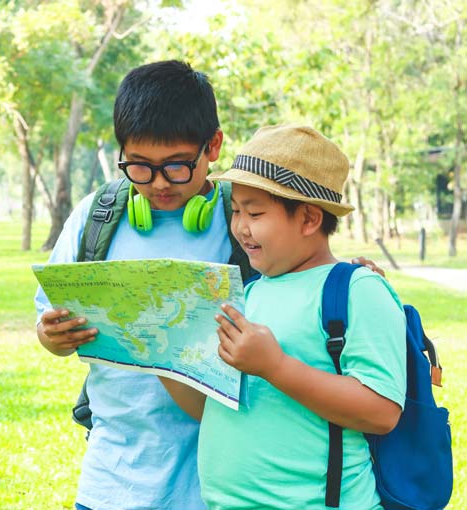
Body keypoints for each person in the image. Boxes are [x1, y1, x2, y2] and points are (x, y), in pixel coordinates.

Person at [35, 61, 384, 510]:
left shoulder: (240, 220)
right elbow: (49, 320)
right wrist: (52, 336)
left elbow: (308, 272)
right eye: (139, 167)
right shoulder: (97, 216)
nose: (158, 183)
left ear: (213, 145)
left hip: (221, 477)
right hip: (113, 473)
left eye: (176, 166)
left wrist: (352, 275)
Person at [161, 125, 407, 509]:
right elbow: (216, 406)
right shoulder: (252, 291)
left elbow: (382, 411)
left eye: (255, 213)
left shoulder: (357, 289)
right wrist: (163, 358)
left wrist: (274, 366)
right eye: (236, 210)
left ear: (309, 219)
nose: (241, 226)